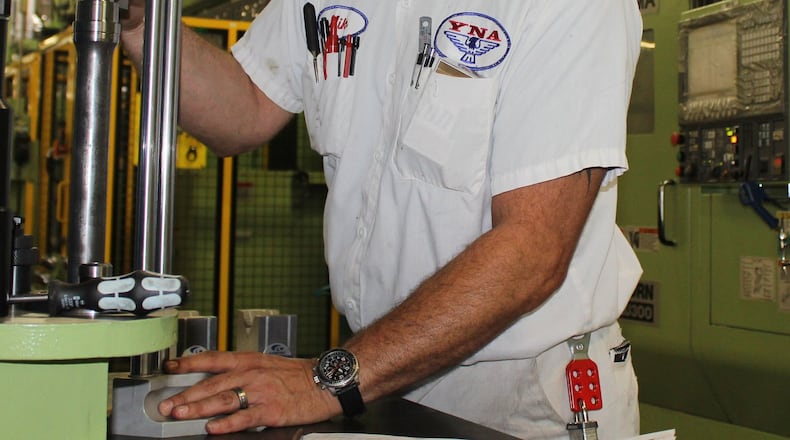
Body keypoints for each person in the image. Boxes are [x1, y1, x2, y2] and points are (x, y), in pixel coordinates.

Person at [121, 1, 643, 438]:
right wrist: (144, 24)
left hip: (522, 395)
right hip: (381, 373)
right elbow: (249, 105)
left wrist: (324, 382)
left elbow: (531, 252)